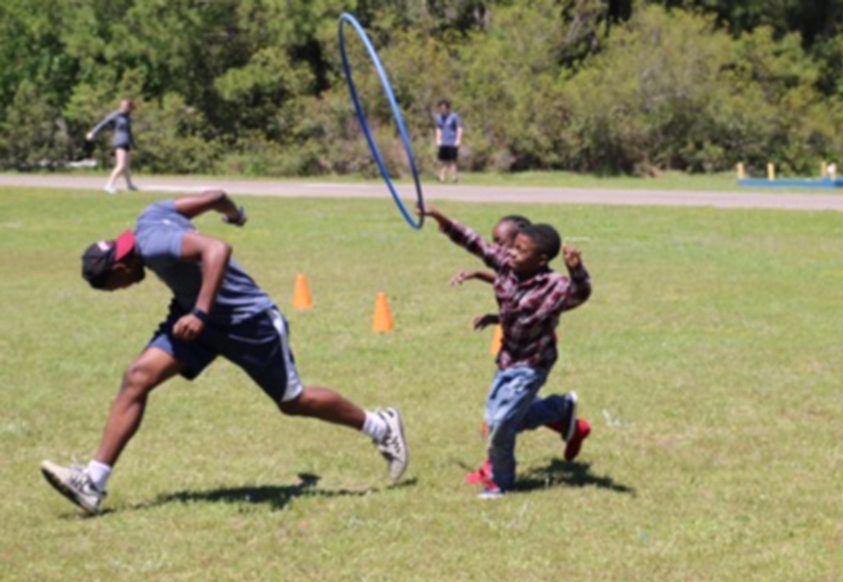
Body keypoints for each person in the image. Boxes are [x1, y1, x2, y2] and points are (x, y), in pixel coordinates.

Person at [40, 190, 409, 515]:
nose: (122, 289)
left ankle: (381, 425)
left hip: (248, 321)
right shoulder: (149, 215)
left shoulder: (153, 245)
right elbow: (216, 196)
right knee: (137, 377)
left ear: (121, 267)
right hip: (194, 320)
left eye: (115, 287)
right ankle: (93, 482)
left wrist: (201, 312)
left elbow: (217, 248)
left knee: (293, 400)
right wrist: (236, 214)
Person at [421, 206, 592, 498]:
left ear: (540, 260)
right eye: (512, 247)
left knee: (499, 424)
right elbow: (473, 241)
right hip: (508, 359)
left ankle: (502, 482)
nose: (511, 253)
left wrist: (576, 270)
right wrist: (441, 218)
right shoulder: (505, 266)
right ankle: (561, 410)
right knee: (508, 419)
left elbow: (580, 294)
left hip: (533, 364)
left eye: (520, 250)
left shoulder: (554, 286)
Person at [86, 99, 138, 194]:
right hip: (120, 141)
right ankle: (109, 185)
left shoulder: (128, 117)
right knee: (121, 165)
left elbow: (129, 132)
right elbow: (103, 123)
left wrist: (132, 144)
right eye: (123, 105)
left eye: (126, 106)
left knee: (126, 166)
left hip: (127, 142)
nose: (124, 107)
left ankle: (129, 185)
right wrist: (93, 132)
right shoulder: (116, 115)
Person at [434, 100, 463, 183]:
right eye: (441, 108)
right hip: (443, 142)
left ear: (447, 108)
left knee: (453, 161)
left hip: (452, 142)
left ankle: (454, 177)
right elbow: (439, 129)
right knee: (442, 161)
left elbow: (459, 128)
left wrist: (458, 140)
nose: (442, 110)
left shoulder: (454, 117)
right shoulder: (439, 118)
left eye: (444, 108)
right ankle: (441, 177)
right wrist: (438, 139)